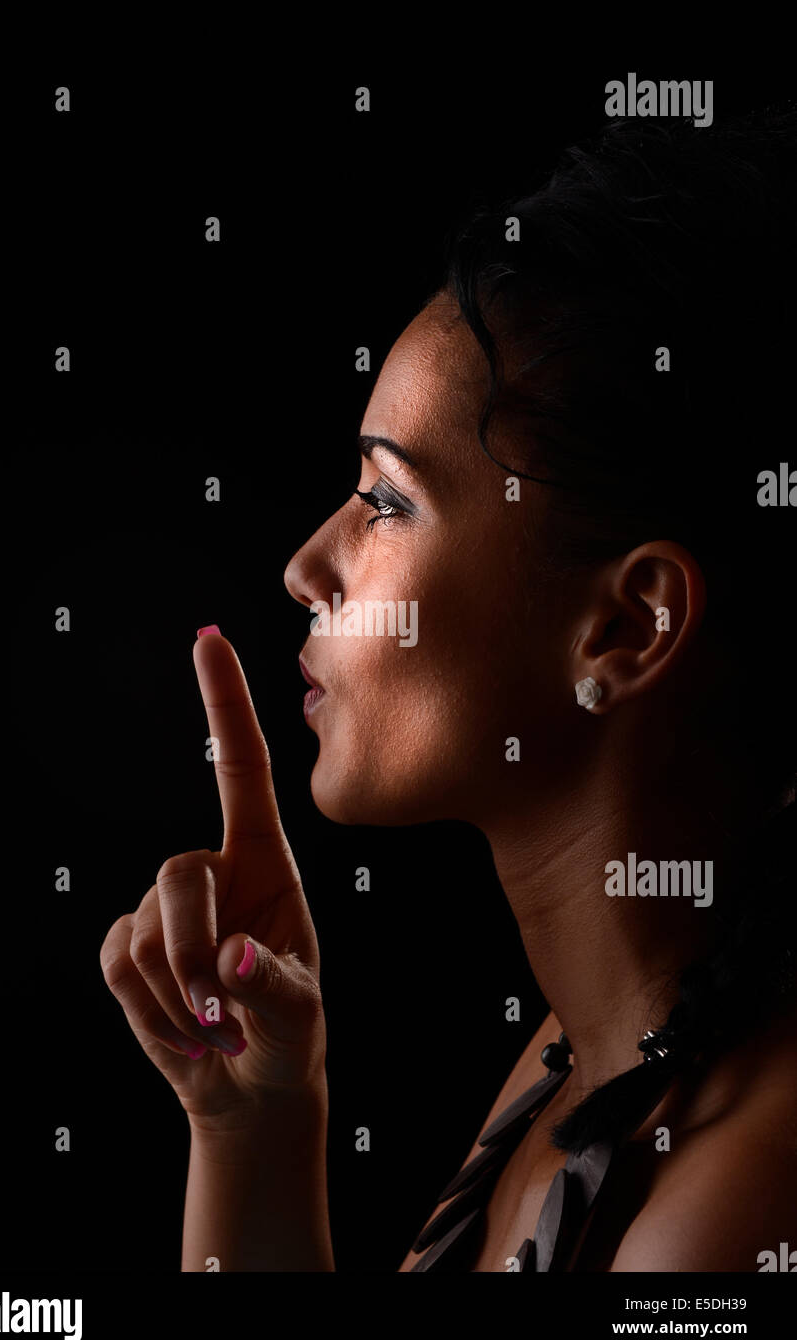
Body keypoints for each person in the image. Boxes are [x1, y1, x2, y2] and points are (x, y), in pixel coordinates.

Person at [100, 106, 797, 1271]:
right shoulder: (574, 1063)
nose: (303, 567)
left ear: (626, 627)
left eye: (384, 501)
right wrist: (255, 1124)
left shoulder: (718, 1214)